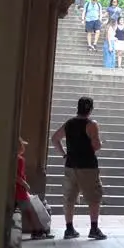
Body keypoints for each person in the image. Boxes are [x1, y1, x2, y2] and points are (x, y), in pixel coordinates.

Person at [50, 96, 107, 240]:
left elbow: (55, 138)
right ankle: (94, 228)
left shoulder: (69, 123)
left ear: (78, 108)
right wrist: (100, 143)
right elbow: (96, 146)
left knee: (69, 197)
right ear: (91, 109)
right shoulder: (91, 124)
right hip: (88, 166)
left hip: (70, 165)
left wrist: (64, 154)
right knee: (94, 197)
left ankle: (69, 229)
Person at [15, 137, 54, 240]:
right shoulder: (19, 160)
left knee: (29, 211)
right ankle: (38, 231)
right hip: (20, 191)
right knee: (31, 211)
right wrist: (25, 184)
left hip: (18, 191)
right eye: (22, 145)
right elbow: (16, 176)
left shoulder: (14, 159)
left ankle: (39, 230)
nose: (24, 147)